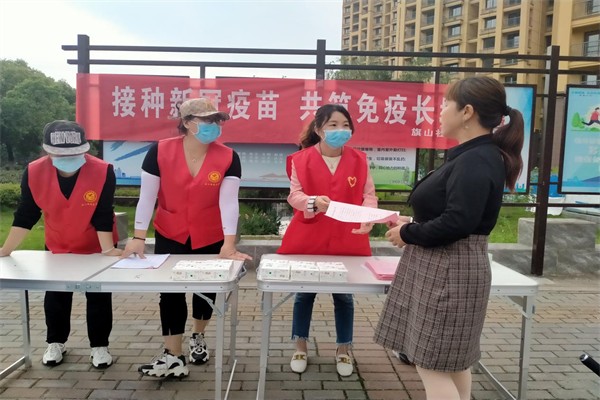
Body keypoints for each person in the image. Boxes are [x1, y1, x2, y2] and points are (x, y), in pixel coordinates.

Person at [374, 76, 524, 400]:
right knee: (452, 361)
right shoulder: (475, 155)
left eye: (445, 104)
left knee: (432, 364)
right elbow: (458, 214)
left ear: (467, 112)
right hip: (449, 268)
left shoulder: (476, 159)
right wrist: (413, 222)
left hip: (448, 271)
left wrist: (408, 232)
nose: (440, 111)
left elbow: (458, 222)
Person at [120, 97, 252, 379]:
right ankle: (173, 356)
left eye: (217, 121)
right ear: (187, 122)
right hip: (171, 232)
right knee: (170, 293)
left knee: (205, 290)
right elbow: (147, 197)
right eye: (207, 120)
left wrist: (229, 244)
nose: (214, 126)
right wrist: (138, 236)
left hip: (210, 234)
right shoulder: (159, 151)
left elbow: (229, 202)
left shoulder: (229, 157)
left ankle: (198, 336)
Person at [0, 120, 122, 369]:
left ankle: (99, 346)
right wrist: (5, 250)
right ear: (47, 150)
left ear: (85, 149)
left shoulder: (102, 170)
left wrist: (108, 250)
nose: (68, 159)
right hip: (58, 244)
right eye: (61, 154)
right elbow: (26, 214)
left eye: (75, 154)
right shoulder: (34, 171)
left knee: (98, 295)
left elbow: (103, 213)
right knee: (56, 295)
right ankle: (55, 342)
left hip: (96, 245)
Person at [277, 104, 378, 377]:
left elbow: (369, 195)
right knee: (304, 293)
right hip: (309, 237)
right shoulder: (300, 159)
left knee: (343, 295)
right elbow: (294, 195)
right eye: (333, 125)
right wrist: (313, 201)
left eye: (345, 125)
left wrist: (368, 216)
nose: (340, 130)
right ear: (319, 129)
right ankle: (300, 346)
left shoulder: (359, 159)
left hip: (347, 238)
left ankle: (343, 349)